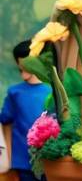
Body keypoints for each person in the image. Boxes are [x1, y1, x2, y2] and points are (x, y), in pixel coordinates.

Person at [0, 41, 52, 181]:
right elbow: (5, 122)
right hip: (23, 162)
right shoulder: (15, 92)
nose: (20, 66)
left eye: (25, 63)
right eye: (19, 63)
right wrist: (10, 156)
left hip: (50, 160)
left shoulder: (52, 91)